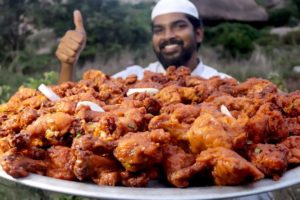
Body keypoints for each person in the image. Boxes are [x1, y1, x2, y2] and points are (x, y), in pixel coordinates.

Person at [55, 0, 229, 84]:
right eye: (159, 30)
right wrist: (68, 64)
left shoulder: (222, 83)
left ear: (198, 33)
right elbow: (71, 104)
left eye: (179, 26)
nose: (168, 36)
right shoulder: (134, 78)